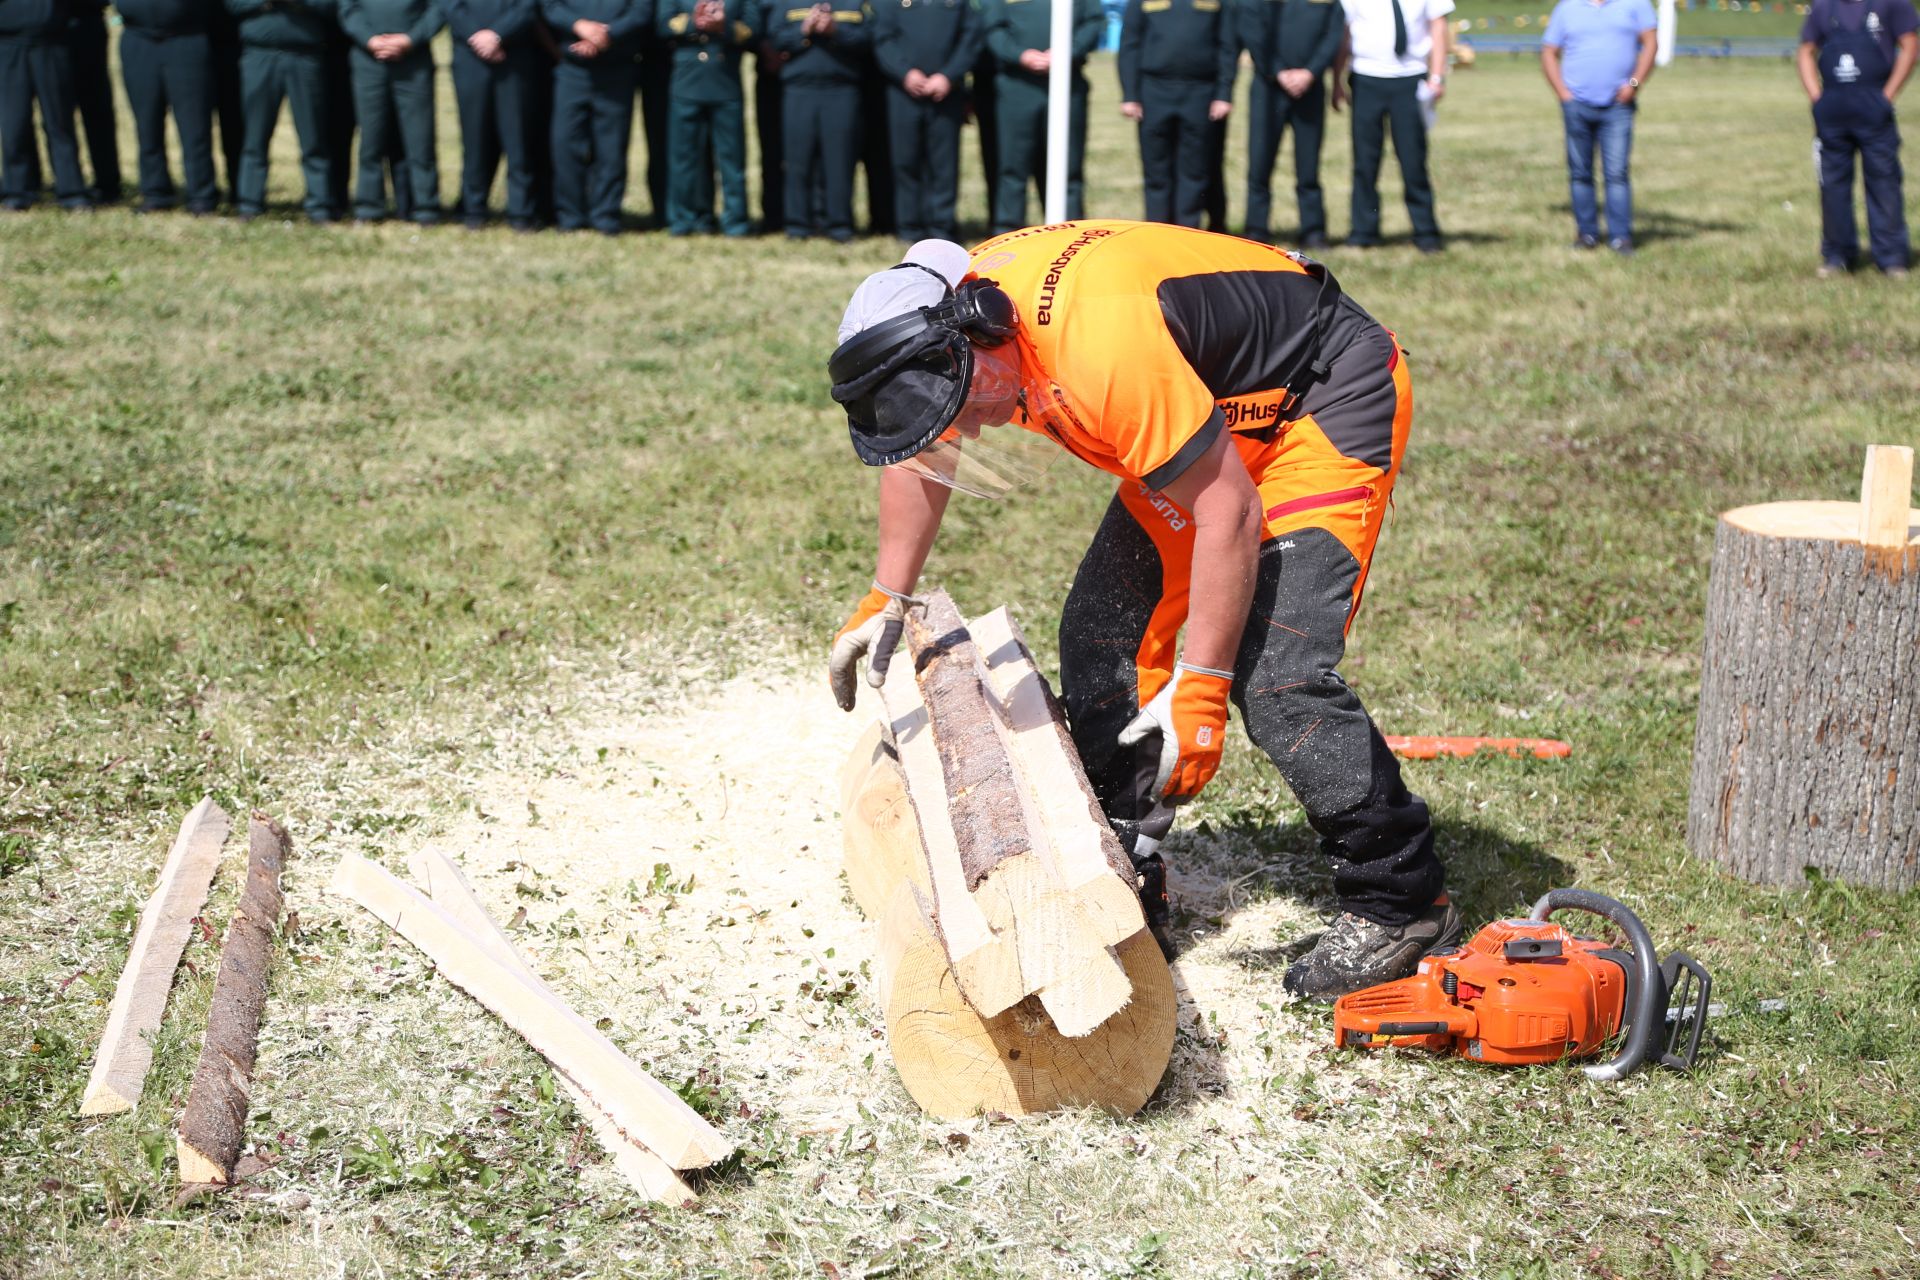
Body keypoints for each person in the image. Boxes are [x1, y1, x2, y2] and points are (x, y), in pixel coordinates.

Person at [824, 224, 1457, 1000]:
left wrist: (1201, 683)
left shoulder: (1098, 349)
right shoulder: (962, 322)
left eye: (965, 401)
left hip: (1320, 399)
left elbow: (1227, 514)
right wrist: (889, 592)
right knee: (1103, 631)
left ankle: (1400, 898)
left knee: (1278, 678)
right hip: (1209, 417)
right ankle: (1120, 863)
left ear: (982, 332)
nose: (975, 424)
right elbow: (926, 450)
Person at [1797, 0, 1916, 276]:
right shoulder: (1824, 7)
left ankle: (1892, 258)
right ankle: (1837, 255)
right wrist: (1817, 99)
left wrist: (1887, 96)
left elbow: (1910, 45)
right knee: (1833, 186)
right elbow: (1806, 51)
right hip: (1833, 112)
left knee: (1884, 181)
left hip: (1874, 108)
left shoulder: (1893, 4)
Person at [1541, 0, 1655, 254]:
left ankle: (1620, 237)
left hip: (1618, 106)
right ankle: (1587, 234)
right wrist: (1563, 94)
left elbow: (1650, 44)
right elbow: (1549, 51)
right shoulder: (1567, 8)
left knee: (1617, 173)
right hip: (1576, 105)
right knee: (1580, 173)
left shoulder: (1637, 4)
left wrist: (1634, 85)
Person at [981, 0, 1101, 233]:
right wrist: (1020, 55)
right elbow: (992, 28)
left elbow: (1094, 21)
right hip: (1017, 86)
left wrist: (1070, 50)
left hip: (1068, 85)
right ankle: (1007, 232)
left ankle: (1070, 232)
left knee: (1068, 165)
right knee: (1012, 166)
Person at [1116, 0, 1236, 229]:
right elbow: (1130, 43)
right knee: (1156, 170)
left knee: (1194, 171)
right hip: (1153, 91)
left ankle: (1187, 231)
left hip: (1201, 92)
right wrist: (1130, 94)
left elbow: (1227, 45)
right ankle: (1158, 230)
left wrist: (1224, 93)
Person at [1342, 0, 1449, 251]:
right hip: (1366, 77)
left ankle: (1425, 232)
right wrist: (1337, 78)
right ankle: (1363, 231)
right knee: (1365, 161)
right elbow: (1344, 31)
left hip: (1411, 78)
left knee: (1413, 160)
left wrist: (1437, 76)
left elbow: (1438, 26)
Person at [871, 0, 981, 242]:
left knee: (943, 165)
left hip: (946, 94)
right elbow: (883, 38)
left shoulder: (960, 3)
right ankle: (909, 228)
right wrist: (905, 73)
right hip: (903, 93)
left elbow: (971, 37)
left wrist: (948, 76)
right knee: (905, 162)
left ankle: (941, 228)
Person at [1240, 0, 1344, 246]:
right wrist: (1278, 71)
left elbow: (1333, 33)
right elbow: (1251, 30)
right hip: (1268, 89)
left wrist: (1311, 72)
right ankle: (1256, 230)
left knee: (1308, 166)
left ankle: (1313, 230)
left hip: (1310, 88)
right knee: (1260, 164)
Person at [766, 0, 869, 241]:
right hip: (799, 89)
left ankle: (839, 225)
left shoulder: (854, 3)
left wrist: (836, 31)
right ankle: (797, 225)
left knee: (839, 160)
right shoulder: (787, 3)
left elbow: (868, 38)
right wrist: (804, 31)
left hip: (841, 89)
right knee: (797, 160)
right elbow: (775, 38)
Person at [541, 0, 647, 233]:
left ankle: (605, 216)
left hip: (617, 69)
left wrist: (606, 35)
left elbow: (642, 11)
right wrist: (578, 25)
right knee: (565, 145)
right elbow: (549, 6)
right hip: (571, 69)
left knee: (611, 148)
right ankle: (570, 217)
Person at [228, 0, 338, 222]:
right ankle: (250, 204)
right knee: (254, 138)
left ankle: (320, 206)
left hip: (305, 57)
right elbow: (234, 5)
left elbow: (330, 5)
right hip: (259, 55)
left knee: (313, 138)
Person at [657, 0, 756, 235]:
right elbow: (662, 24)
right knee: (683, 158)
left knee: (732, 159)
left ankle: (736, 222)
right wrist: (694, 21)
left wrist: (725, 26)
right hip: (687, 80)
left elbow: (753, 28)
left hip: (725, 81)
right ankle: (683, 220)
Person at [341, 0, 445, 222]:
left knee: (420, 140)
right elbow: (348, 10)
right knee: (371, 139)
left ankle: (425, 206)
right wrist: (370, 40)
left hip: (414, 62)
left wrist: (410, 40)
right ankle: (369, 207)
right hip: (368, 62)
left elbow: (437, 10)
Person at [446, 0, 544, 229]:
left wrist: (497, 35)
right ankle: (474, 210)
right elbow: (450, 6)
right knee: (474, 138)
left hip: (515, 58)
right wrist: (477, 37)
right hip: (469, 57)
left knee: (518, 139)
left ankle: (521, 213)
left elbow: (528, 6)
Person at [117, 0, 221, 213]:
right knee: (147, 124)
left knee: (195, 126)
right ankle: (156, 192)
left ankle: (201, 194)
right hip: (138, 39)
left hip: (186, 38)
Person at [0, 0, 90, 209]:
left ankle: (71, 191)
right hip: (8, 45)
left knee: (59, 123)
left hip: (51, 42)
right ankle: (18, 191)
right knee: (14, 122)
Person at [69, 0, 123, 202]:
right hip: (46, 26)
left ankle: (107, 182)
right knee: (54, 114)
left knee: (96, 107)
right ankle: (65, 181)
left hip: (86, 22)